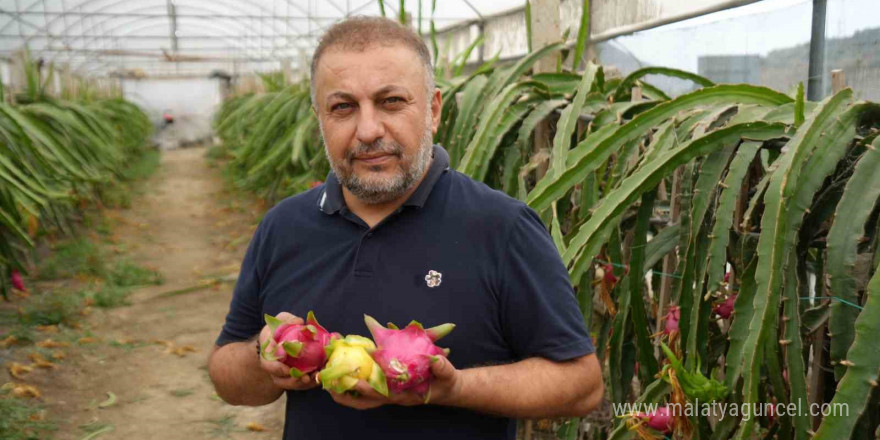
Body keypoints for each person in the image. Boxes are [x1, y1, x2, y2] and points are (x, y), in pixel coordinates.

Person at [208, 16, 604, 440]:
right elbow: (226, 376)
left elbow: (580, 385)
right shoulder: (283, 226)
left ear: (433, 110)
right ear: (319, 119)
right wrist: (264, 355)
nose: (368, 130)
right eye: (342, 107)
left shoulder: (502, 227)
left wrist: (453, 387)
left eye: (391, 101)